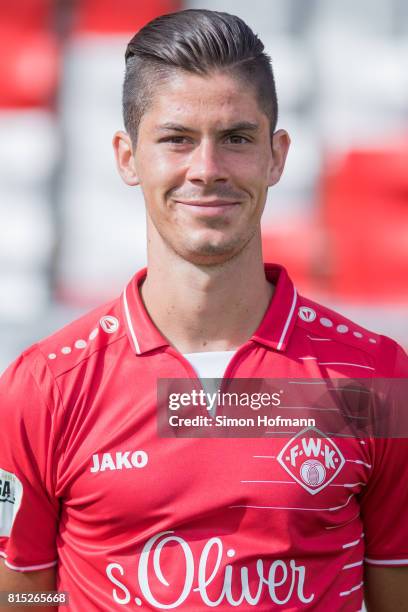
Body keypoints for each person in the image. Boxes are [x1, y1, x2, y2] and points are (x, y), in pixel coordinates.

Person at [0, 8, 407, 611]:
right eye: (176, 139)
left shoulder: (373, 378)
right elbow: (24, 597)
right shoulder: (45, 387)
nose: (207, 170)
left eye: (236, 139)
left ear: (277, 156)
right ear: (127, 157)